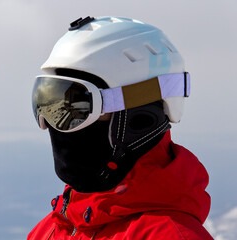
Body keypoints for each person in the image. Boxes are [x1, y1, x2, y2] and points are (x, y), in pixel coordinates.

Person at [28, 16, 213, 240]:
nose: (51, 123)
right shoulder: (52, 230)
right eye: (46, 103)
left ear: (141, 117)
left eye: (78, 107)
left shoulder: (170, 236)